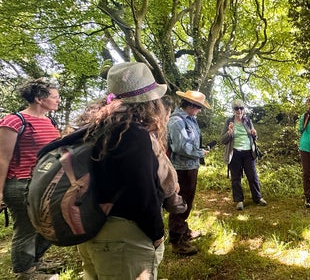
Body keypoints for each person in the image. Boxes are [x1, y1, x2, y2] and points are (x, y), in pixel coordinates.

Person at [76, 62, 185, 279]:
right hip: (124, 236)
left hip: (91, 228)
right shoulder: (133, 134)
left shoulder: (97, 127)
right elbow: (142, 194)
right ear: (150, 101)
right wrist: (156, 234)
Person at [0, 78, 61, 279]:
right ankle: (25, 272)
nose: (58, 100)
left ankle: (35, 261)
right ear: (39, 99)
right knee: (26, 229)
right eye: (54, 97)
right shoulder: (15, 121)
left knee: (52, 224)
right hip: (21, 184)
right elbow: (2, 158)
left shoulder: (49, 121)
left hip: (44, 183)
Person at [167, 90, 211, 256]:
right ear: (190, 105)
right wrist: (200, 153)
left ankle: (183, 230)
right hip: (181, 168)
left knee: (188, 201)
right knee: (180, 202)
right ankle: (177, 241)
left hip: (191, 166)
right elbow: (181, 147)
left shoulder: (191, 120)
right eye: (198, 107)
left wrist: (199, 151)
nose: (199, 110)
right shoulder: (177, 122)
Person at [221, 99, 267, 211]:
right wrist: (229, 132)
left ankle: (257, 198)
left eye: (241, 108)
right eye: (236, 108)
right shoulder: (229, 122)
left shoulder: (247, 120)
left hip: (248, 152)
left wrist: (254, 134)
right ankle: (239, 201)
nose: (239, 110)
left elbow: (254, 137)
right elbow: (223, 140)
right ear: (233, 110)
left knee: (253, 176)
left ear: (244, 110)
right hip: (234, 152)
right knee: (236, 178)